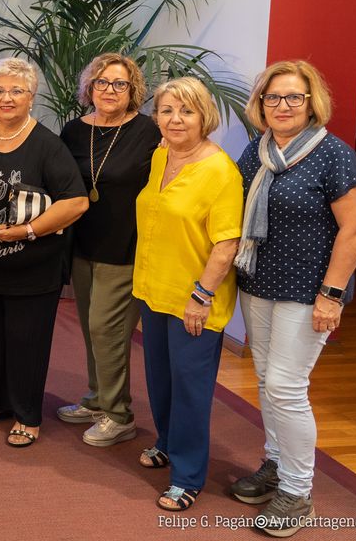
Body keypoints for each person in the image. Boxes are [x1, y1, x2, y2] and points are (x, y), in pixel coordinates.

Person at [228, 61, 356, 535]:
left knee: (287, 387)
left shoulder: (335, 156)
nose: (283, 106)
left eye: (294, 97)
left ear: (312, 103)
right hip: (259, 284)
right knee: (267, 380)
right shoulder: (258, 151)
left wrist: (331, 295)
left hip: (310, 291)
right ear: (260, 104)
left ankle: (297, 491)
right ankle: (274, 464)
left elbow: (355, 228)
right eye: (273, 98)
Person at [0, 58, 88, 447]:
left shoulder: (47, 145)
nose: (6, 98)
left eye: (16, 91)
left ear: (31, 96)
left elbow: (76, 202)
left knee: (26, 344)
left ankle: (28, 415)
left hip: (31, 271)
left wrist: (26, 230)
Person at [133, 77, 243, 512]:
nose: (175, 119)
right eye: (166, 110)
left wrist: (201, 295)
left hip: (193, 298)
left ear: (205, 117)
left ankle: (187, 476)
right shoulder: (162, 155)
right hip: (154, 287)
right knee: (160, 379)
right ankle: (166, 441)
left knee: (191, 388)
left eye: (186, 111)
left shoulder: (220, 171)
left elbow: (227, 244)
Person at [56, 53, 161, 447]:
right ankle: (98, 398)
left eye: (119, 84)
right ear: (89, 88)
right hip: (82, 245)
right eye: (102, 83)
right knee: (90, 328)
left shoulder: (149, 131)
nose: (109, 90)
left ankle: (119, 415)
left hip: (127, 247)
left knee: (108, 329)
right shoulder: (73, 131)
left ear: (133, 89)